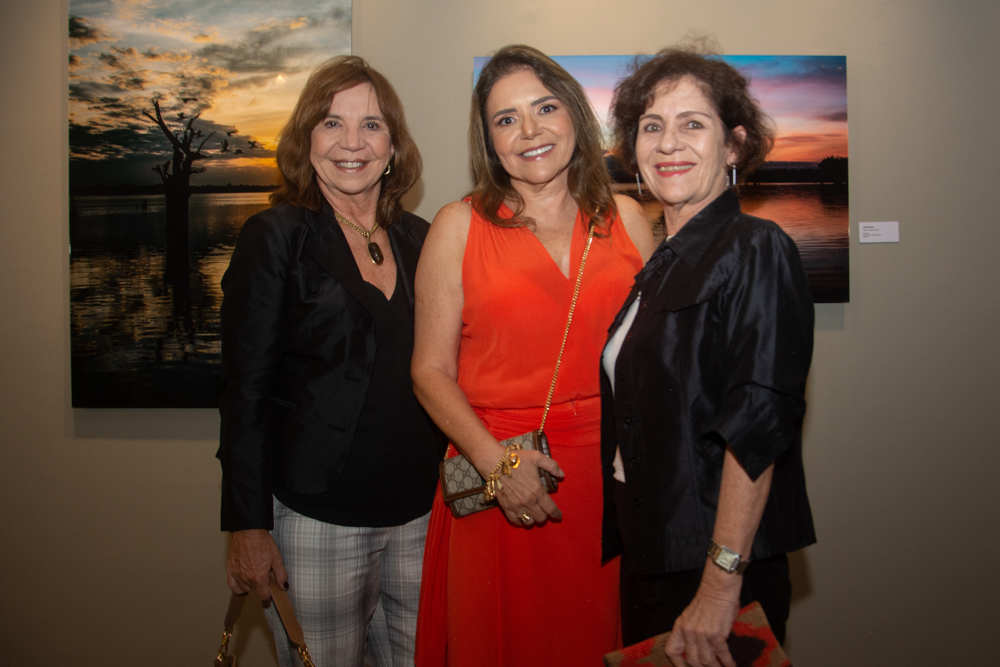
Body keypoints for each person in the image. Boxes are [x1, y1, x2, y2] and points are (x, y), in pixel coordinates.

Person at [411, 45, 655, 666]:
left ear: (575, 115)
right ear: (490, 143)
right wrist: (498, 468)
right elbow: (429, 371)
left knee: (603, 639)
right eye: (506, 119)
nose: (530, 131)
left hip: (614, 481)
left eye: (545, 108)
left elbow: (660, 363)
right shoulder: (457, 227)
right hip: (502, 475)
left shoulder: (627, 218)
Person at [217, 55, 444, 667]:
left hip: (423, 515)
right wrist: (247, 525)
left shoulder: (424, 239)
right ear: (305, 140)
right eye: (331, 123)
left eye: (371, 125)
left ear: (393, 144)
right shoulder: (277, 236)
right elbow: (246, 388)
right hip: (318, 521)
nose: (352, 143)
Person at [601, 46, 817, 667]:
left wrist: (721, 585)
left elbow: (758, 423)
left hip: (714, 567)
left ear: (734, 146)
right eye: (651, 126)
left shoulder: (756, 247)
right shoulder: (662, 262)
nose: (669, 143)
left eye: (693, 124)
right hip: (655, 555)